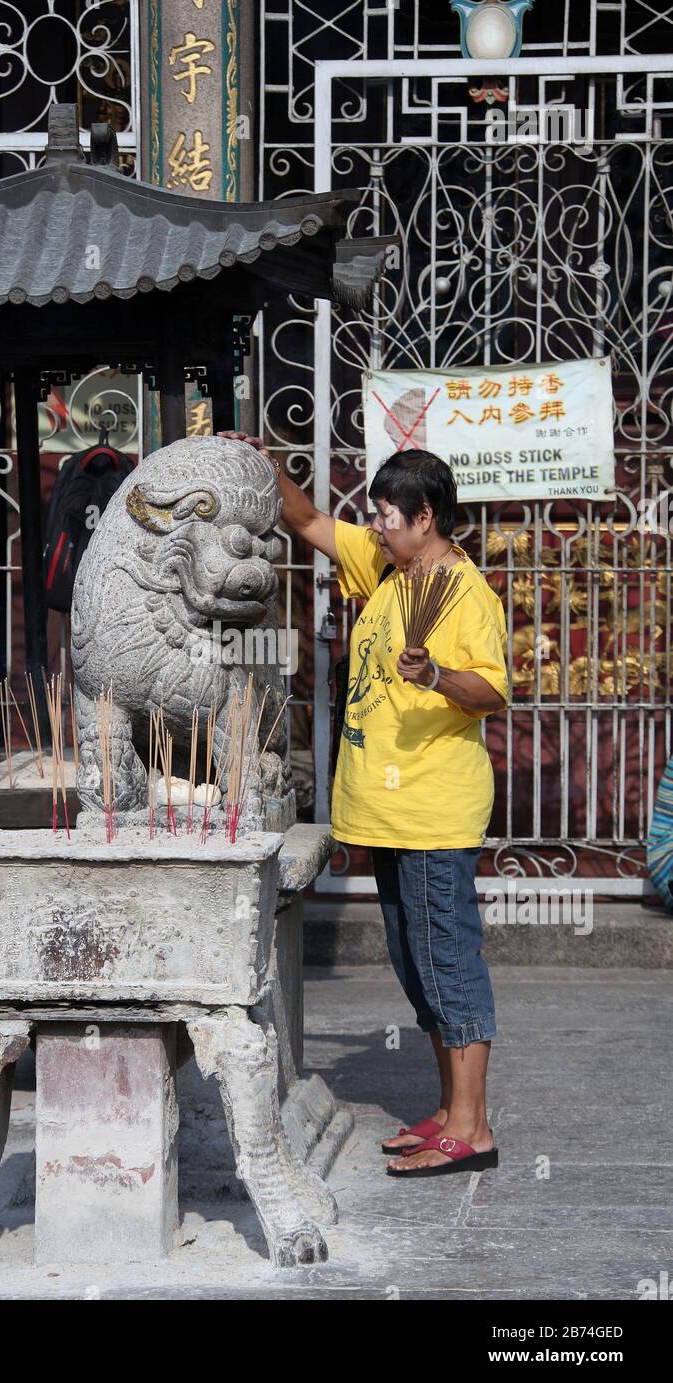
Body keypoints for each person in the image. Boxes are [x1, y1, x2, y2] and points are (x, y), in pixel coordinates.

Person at [219, 434, 509, 1176]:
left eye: (388, 514)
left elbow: (492, 692)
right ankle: (449, 1108)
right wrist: (264, 465)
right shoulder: (386, 567)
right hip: (384, 809)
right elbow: (310, 522)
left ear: (427, 518)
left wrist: (438, 673)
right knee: (418, 969)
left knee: (448, 963)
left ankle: (473, 1130)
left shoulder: (466, 594)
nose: (376, 525)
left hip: (431, 809)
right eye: (376, 513)